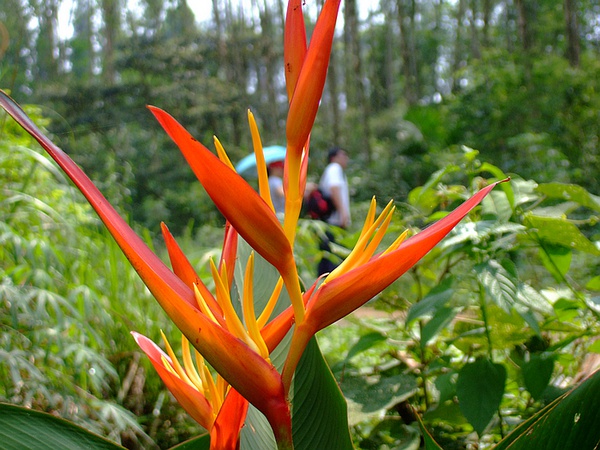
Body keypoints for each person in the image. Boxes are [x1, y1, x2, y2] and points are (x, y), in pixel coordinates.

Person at [317, 147, 350, 275]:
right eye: (343, 154)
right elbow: (334, 188)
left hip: (330, 221)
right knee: (333, 258)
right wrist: (343, 213)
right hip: (333, 222)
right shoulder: (334, 168)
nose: (346, 158)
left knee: (327, 256)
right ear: (334, 157)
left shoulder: (334, 169)